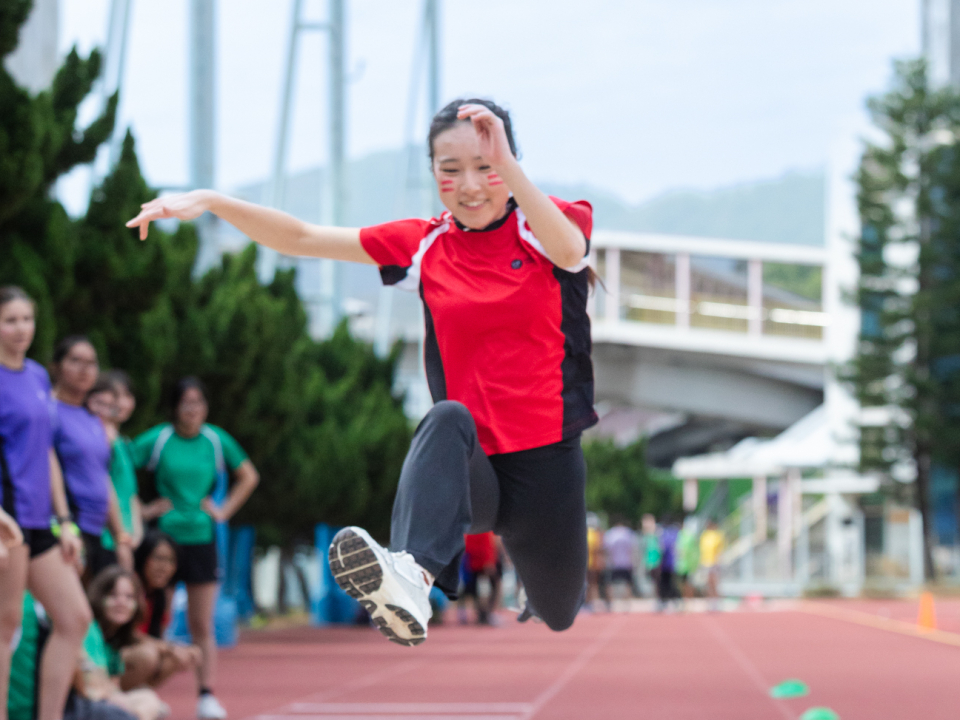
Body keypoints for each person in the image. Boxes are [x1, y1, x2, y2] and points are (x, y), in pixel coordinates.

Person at [127, 98, 596, 648]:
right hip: (474, 472)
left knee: (559, 610)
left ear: (511, 164)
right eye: (450, 170)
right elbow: (301, 238)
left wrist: (507, 167)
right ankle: (411, 578)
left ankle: (532, 588)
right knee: (445, 418)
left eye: (486, 167)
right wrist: (211, 201)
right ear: (432, 174)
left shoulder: (548, 225)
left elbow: (570, 250)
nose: (470, 185)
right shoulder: (425, 245)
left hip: (547, 463)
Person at [129, 378, 259, 720]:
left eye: (198, 403)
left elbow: (248, 475)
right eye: (186, 403)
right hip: (164, 541)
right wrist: (142, 509)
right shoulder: (159, 439)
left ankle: (206, 695)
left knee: (202, 623)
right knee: (156, 617)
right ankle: (146, 691)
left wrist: (223, 511)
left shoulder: (215, 440)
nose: (193, 410)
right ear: (175, 407)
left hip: (203, 538)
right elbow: (120, 463)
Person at [0, 287, 93, 720]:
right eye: (10, 320)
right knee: (6, 630)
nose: (21, 329)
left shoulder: (37, 375)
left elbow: (47, 451)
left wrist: (66, 521)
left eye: (26, 319)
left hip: (43, 521)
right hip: (8, 522)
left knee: (74, 618)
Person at [50, 336, 132, 579]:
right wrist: (64, 522)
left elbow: (101, 476)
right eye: (76, 360)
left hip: (97, 528)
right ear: (57, 366)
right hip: (66, 525)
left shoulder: (93, 419)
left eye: (92, 362)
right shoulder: (49, 411)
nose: (85, 369)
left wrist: (121, 536)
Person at [79, 567, 168, 720]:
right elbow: (91, 686)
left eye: (129, 597)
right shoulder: (89, 629)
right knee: (146, 704)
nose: (122, 602)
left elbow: (114, 686)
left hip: (100, 699)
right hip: (83, 702)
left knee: (149, 700)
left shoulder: (116, 638)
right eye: (113, 595)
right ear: (98, 596)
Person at [125, 531, 202, 689]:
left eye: (170, 561)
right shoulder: (128, 587)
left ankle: (142, 696)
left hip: (140, 649)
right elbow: (126, 634)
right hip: (114, 654)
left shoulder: (160, 596)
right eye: (158, 558)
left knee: (182, 655)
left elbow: (158, 636)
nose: (164, 567)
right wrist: (171, 648)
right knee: (148, 656)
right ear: (143, 557)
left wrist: (179, 650)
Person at [88, 373, 143, 564]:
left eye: (127, 396)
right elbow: (105, 486)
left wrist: (136, 533)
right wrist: (121, 536)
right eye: (115, 397)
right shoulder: (103, 439)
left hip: (125, 538)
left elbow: (130, 492)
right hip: (108, 537)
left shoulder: (123, 442)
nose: (121, 403)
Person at [457, 532, 501, 626]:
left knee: (478, 592)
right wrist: (488, 562)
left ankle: (483, 614)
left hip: (474, 565)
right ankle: (485, 614)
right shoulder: (482, 530)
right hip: (481, 566)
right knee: (485, 591)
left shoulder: (473, 530)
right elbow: (485, 546)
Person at [602, 516, 636, 603]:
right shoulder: (628, 533)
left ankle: (610, 603)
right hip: (626, 562)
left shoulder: (610, 534)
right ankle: (627, 602)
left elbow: (606, 548)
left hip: (614, 563)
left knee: (609, 583)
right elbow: (632, 549)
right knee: (627, 583)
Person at [699, 519, 725, 610]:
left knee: (714, 583)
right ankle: (709, 602)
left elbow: (719, 550)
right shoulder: (704, 536)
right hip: (706, 562)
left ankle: (716, 602)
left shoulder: (717, 535)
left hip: (714, 562)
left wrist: (718, 562)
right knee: (707, 583)